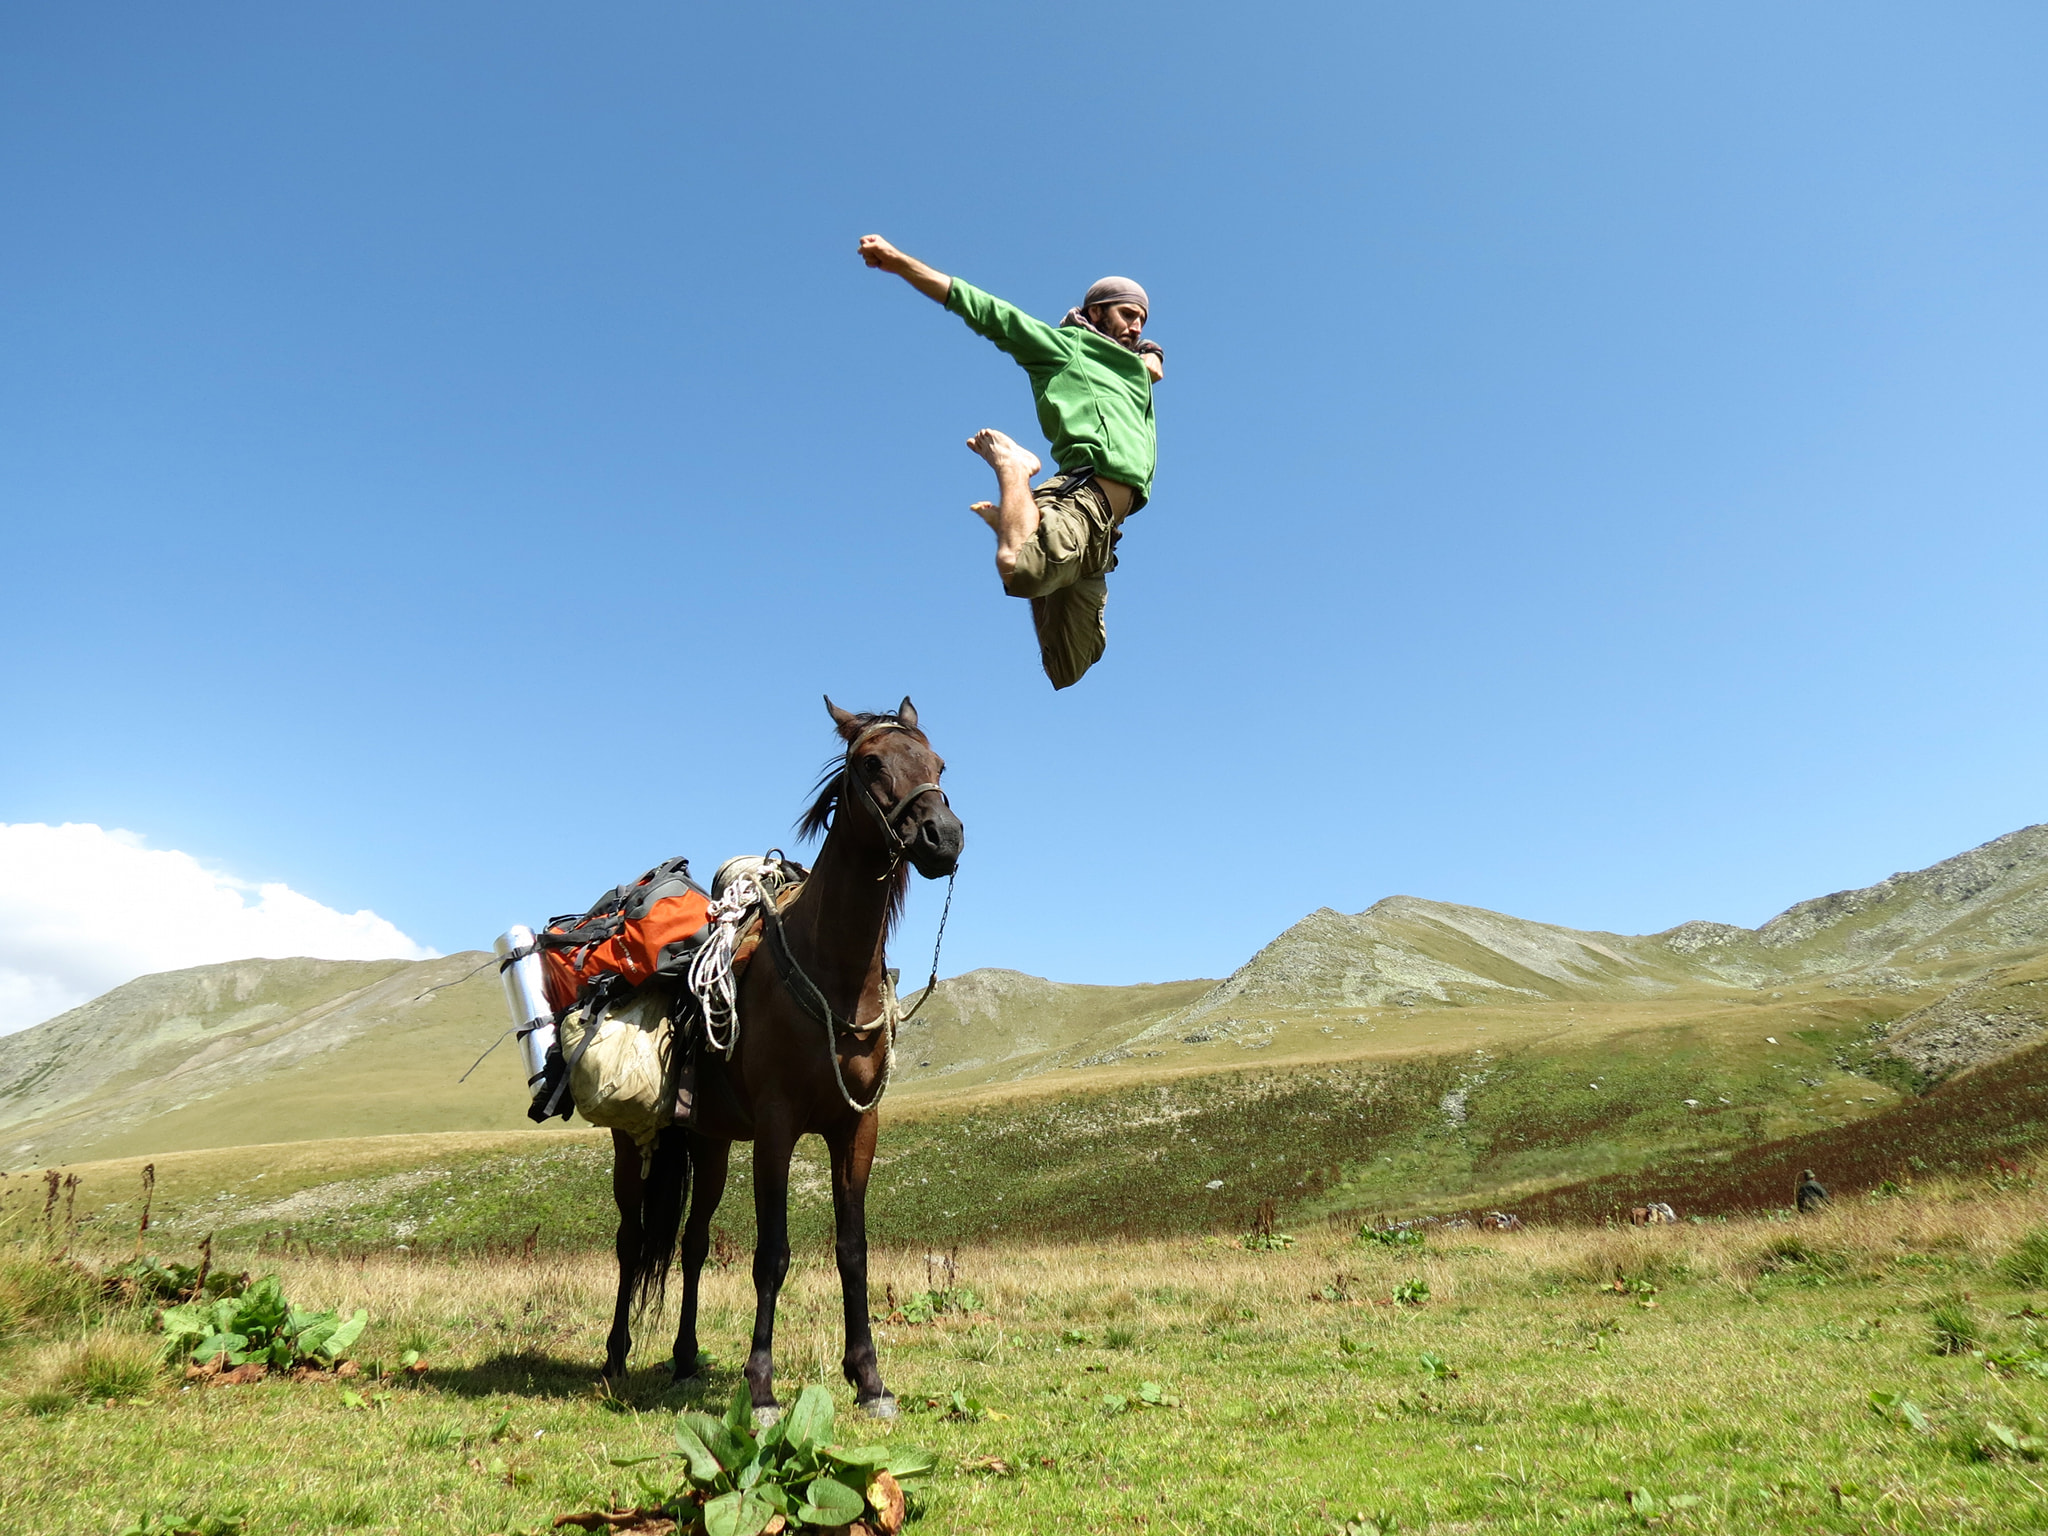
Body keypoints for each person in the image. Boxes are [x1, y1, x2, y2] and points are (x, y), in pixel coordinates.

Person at [858, 234, 1164, 689]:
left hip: (1105, 532)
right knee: (1021, 570)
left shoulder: (1133, 368)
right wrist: (902, 264)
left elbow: (1151, 362)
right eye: (1126, 314)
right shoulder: (1066, 350)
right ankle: (1015, 469)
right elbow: (991, 313)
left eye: (1142, 319)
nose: (1136, 326)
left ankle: (1020, 522)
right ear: (1096, 313)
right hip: (1081, 496)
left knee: (1069, 666)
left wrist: (1151, 355)